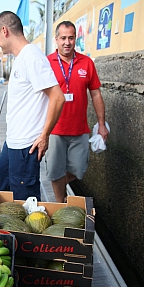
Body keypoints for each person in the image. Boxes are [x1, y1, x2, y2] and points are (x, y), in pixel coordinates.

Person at [0, 11, 65, 200]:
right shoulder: (21, 58)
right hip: (13, 143)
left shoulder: (32, 57)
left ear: (4, 31)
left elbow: (58, 97)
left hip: (26, 146)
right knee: (4, 196)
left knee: (25, 204)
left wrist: (44, 135)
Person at [46, 21, 109, 203]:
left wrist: (102, 124)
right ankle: (60, 204)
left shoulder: (86, 63)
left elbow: (96, 94)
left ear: (76, 39)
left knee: (78, 170)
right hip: (54, 129)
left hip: (79, 129)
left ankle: (59, 191)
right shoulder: (47, 63)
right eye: (63, 38)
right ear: (56, 40)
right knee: (55, 170)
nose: (67, 42)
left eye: (71, 38)